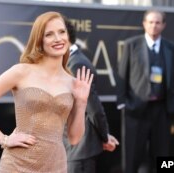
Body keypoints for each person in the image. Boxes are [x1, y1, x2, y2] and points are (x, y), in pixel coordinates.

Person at [0, 11, 93, 173]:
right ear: (39, 40)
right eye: (49, 34)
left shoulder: (72, 83)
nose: (58, 39)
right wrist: (4, 139)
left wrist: (82, 102)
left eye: (62, 32)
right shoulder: (21, 72)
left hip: (55, 165)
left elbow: (74, 139)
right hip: (17, 164)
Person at [116, 9, 174, 173]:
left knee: (164, 157)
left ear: (164, 25)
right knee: (132, 156)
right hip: (136, 110)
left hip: (163, 111)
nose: (154, 26)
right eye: (150, 22)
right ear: (144, 24)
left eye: (158, 22)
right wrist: (123, 103)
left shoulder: (172, 48)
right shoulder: (131, 45)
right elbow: (122, 76)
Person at [63, 18, 119, 173]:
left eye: (59, 33)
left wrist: (105, 136)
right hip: (69, 148)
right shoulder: (67, 62)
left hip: (79, 149)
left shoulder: (77, 64)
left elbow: (93, 107)